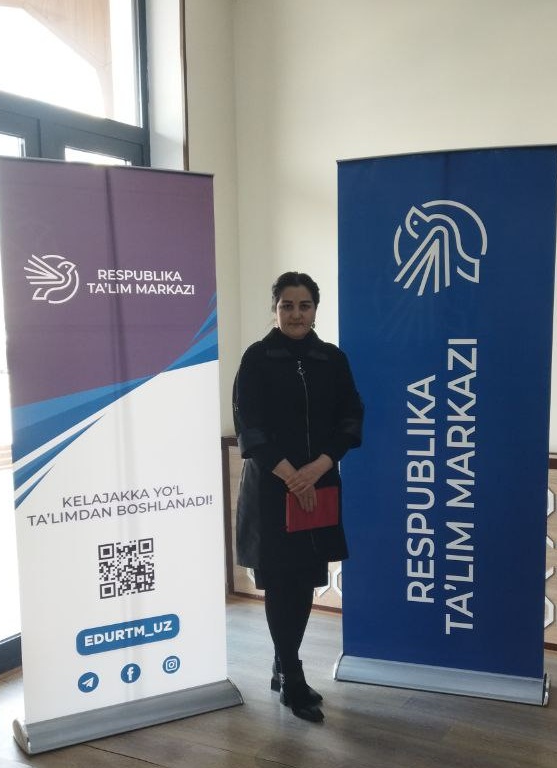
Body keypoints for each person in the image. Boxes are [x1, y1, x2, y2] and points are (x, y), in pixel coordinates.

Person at [232, 271, 364, 723]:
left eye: (304, 305)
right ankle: (292, 675)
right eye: (286, 305)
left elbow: (351, 418)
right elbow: (250, 428)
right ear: (275, 309)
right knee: (279, 580)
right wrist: (293, 477)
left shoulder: (332, 359)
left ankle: (282, 663)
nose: (295, 314)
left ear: (315, 310)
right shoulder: (256, 358)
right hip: (272, 488)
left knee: (305, 578)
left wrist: (317, 469)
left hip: (319, 483)